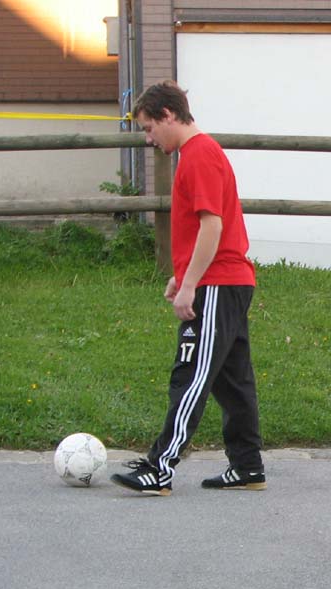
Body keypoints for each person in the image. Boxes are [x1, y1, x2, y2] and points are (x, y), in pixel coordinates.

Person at [112, 80, 266, 496]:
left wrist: (191, 286)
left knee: (191, 374)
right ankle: (247, 467)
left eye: (149, 128)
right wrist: (181, 275)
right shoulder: (200, 153)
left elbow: (212, 226)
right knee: (232, 381)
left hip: (217, 284)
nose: (149, 139)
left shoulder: (198, 155)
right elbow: (204, 230)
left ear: (168, 115)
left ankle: (158, 468)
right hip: (227, 281)